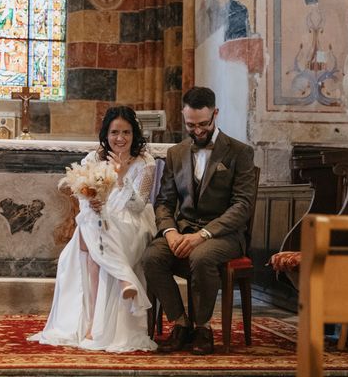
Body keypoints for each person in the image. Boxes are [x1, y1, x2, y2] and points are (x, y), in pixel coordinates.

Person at [29, 106, 158, 352]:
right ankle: (96, 316)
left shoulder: (145, 162)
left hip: (133, 222)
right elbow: (82, 197)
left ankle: (103, 309)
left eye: (126, 132)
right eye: (115, 132)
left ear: (135, 134)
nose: (120, 138)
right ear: (106, 134)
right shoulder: (93, 158)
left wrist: (121, 177)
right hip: (100, 219)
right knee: (90, 226)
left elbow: (139, 205)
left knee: (90, 234)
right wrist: (94, 203)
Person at [142, 87, 255, 355]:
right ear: (183, 116)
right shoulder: (176, 153)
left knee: (202, 257)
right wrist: (170, 232)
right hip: (182, 230)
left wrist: (203, 234)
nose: (198, 131)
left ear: (215, 114)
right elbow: (164, 202)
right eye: (191, 125)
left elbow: (242, 205)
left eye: (204, 124)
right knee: (151, 257)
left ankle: (203, 328)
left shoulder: (239, 152)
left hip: (223, 235)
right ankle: (181, 324)